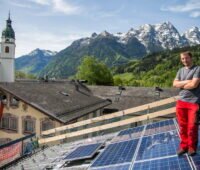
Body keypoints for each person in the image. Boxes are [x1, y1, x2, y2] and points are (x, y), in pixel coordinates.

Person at [173, 51, 200, 156]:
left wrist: (181, 84)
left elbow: (194, 84)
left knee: (192, 126)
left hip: (194, 103)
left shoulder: (198, 69)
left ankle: (192, 147)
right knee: (182, 126)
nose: (185, 60)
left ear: (191, 58)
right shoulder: (180, 70)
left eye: (187, 58)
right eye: (183, 59)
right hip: (181, 102)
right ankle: (184, 146)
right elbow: (174, 84)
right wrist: (187, 82)